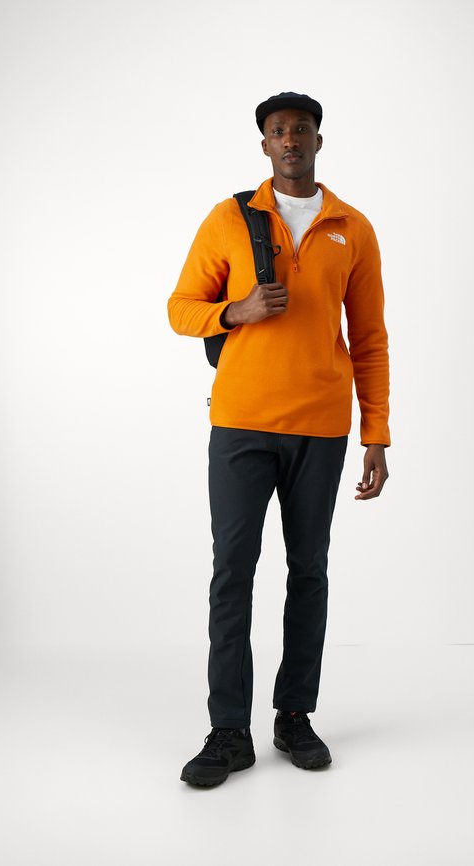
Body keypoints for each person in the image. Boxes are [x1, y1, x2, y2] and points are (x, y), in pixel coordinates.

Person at [167, 91, 390, 787]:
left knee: (309, 571)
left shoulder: (352, 227)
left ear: (319, 140)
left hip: (321, 427)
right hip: (240, 423)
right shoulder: (229, 219)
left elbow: (370, 338)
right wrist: (235, 311)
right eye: (277, 130)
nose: (290, 139)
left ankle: (294, 716)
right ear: (264, 145)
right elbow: (180, 308)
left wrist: (376, 432)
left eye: (301, 129)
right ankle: (228, 731)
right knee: (233, 572)